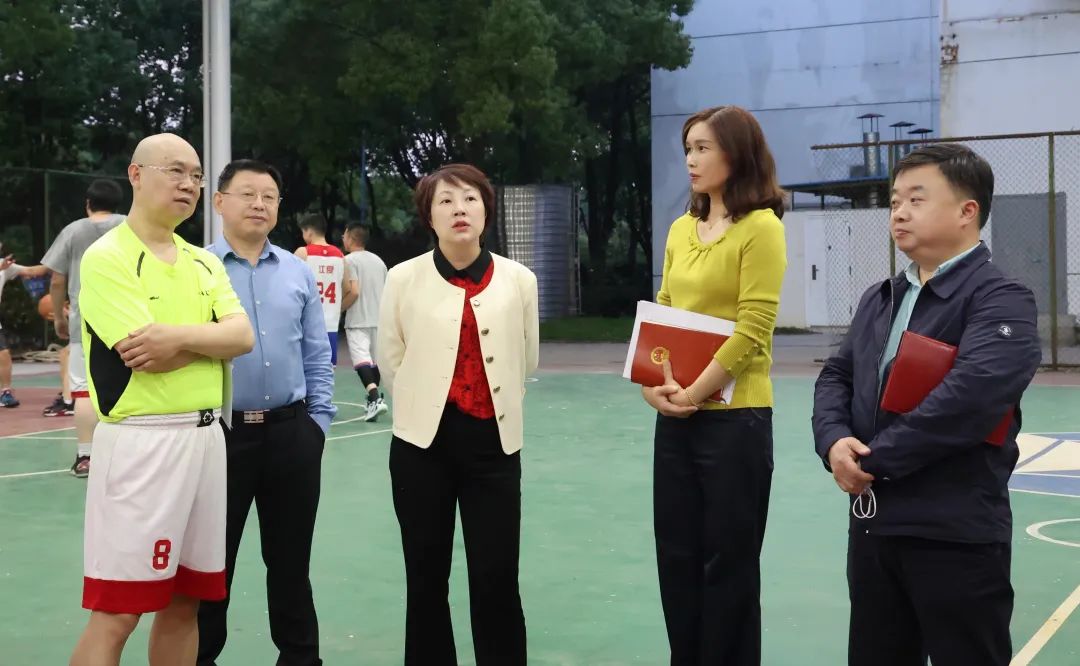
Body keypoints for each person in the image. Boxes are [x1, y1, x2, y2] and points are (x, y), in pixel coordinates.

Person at [812, 143, 1041, 666]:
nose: (899, 212)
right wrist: (833, 442)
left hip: (952, 531)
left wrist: (872, 459)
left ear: (967, 211)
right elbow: (837, 375)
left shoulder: (1001, 299)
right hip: (874, 524)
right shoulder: (881, 297)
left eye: (917, 199)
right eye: (895, 201)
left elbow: (969, 401)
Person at [69, 133, 254, 666]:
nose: (188, 184)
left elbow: (242, 337)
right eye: (175, 171)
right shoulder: (108, 257)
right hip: (141, 444)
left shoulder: (204, 262)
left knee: (186, 602)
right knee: (118, 611)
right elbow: (146, 354)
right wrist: (210, 341)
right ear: (135, 175)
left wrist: (178, 338)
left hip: (206, 440)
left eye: (196, 175)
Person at [378, 163, 539, 665]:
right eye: (445, 201)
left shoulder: (519, 279)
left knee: (497, 576)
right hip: (422, 447)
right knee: (426, 578)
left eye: (470, 198)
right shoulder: (402, 278)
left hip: (494, 444)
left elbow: (527, 356)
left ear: (486, 210)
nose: (459, 209)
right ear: (429, 216)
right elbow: (391, 357)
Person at [642, 105, 786, 665]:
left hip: (736, 422)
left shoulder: (762, 228)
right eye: (688, 148)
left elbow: (754, 328)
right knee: (676, 558)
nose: (691, 159)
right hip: (676, 419)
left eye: (703, 147)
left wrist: (695, 392)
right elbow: (664, 310)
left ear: (736, 153)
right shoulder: (682, 228)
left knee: (729, 564)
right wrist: (652, 386)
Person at [198, 159, 336, 666]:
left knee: (291, 564)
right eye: (247, 194)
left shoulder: (298, 272)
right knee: (212, 565)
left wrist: (317, 426)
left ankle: (300, 658)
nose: (259, 204)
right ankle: (202, 656)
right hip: (220, 437)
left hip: (291, 435)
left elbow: (317, 354)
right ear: (220, 202)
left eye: (269, 196)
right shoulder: (196, 269)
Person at [40, 178, 126, 476]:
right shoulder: (130, 227)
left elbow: (57, 279)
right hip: (130, 319)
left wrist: (59, 317)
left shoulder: (73, 230)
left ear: (88, 203)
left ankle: (86, 456)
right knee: (130, 387)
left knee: (84, 391)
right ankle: (124, 456)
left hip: (84, 320)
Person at [341, 223, 388, 422]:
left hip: (358, 318)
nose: (342, 238)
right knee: (374, 362)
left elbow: (354, 292)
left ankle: (375, 399)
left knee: (361, 359)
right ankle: (372, 401)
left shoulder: (348, 261)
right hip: (379, 318)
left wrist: (338, 309)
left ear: (351, 238)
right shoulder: (379, 261)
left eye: (344, 235)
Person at [295, 214, 344, 366]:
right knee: (326, 373)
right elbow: (351, 290)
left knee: (303, 370)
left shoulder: (303, 252)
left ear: (309, 231)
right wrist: (337, 308)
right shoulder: (340, 255)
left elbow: (288, 286)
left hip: (307, 324)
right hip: (331, 325)